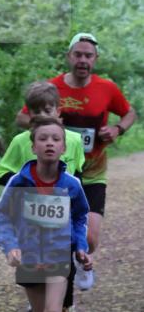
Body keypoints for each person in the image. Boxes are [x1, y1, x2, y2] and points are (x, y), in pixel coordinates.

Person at [15, 33, 137, 290]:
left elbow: (129, 113)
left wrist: (117, 129)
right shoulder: (52, 88)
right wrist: (47, 124)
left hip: (92, 171)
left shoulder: (107, 88)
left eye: (88, 56)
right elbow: (22, 118)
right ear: (69, 56)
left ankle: (79, 259)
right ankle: (57, 292)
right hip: (57, 173)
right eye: (78, 54)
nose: (83, 60)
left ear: (95, 59)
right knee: (55, 233)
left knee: (90, 237)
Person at [0, 116, 90, 312]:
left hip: (59, 256)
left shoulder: (71, 184)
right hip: (29, 257)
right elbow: (2, 217)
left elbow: (80, 216)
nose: (50, 143)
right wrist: (11, 246)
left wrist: (81, 247)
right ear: (33, 146)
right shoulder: (19, 182)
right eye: (43, 139)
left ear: (64, 148)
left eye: (56, 139)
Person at [0, 81, 84, 312]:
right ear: (29, 114)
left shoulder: (74, 140)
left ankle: (64, 310)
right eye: (37, 111)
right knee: (38, 285)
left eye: (48, 109)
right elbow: (1, 172)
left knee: (67, 262)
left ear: (58, 110)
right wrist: (25, 187)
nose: (43, 115)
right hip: (31, 225)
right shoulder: (21, 142)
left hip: (62, 219)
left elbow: (78, 176)